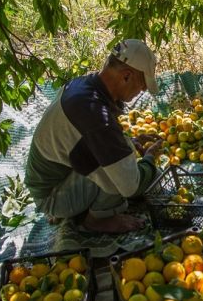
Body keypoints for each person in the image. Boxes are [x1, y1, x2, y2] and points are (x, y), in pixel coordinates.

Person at [25, 39, 165, 233]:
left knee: (118, 159)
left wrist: (127, 143)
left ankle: (76, 207)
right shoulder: (96, 118)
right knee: (125, 177)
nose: (142, 90)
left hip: (53, 181)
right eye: (142, 84)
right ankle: (97, 220)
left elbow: (79, 138)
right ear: (126, 76)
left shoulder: (83, 85)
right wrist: (148, 160)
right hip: (52, 197)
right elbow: (130, 185)